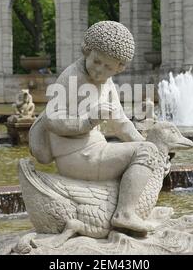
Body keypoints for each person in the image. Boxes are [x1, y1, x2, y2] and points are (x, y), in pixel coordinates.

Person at [29, 21, 166, 233]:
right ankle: (124, 214)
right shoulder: (70, 77)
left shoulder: (108, 83)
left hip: (94, 150)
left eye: (108, 67)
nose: (100, 70)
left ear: (119, 68)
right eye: (96, 61)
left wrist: (154, 151)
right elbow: (52, 119)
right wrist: (87, 121)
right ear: (87, 50)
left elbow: (121, 124)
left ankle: (125, 211)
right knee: (145, 152)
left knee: (148, 151)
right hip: (75, 156)